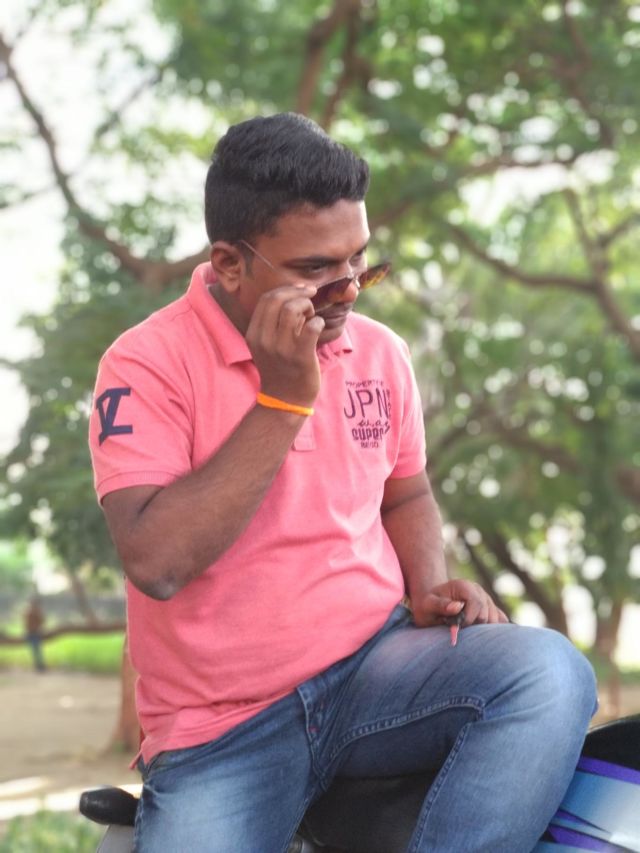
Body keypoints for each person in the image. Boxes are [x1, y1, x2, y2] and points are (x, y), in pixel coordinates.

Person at [89, 112, 597, 852]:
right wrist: (283, 400)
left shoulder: (380, 352)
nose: (350, 291)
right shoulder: (145, 364)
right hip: (223, 726)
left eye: (360, 263)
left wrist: (429, 584)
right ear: (230, 264)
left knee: (549, 673)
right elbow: (156, 562)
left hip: (374, 669)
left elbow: (406, 491)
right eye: (316, 272)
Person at [24, 596, 46, 672]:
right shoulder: (29, 611)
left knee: (37, 650)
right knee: (35, 650)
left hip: (36, 633)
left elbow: (42, 621)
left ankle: (40, 665)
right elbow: (26, 623)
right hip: (31, 633)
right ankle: (39, 665)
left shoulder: (37, 611)